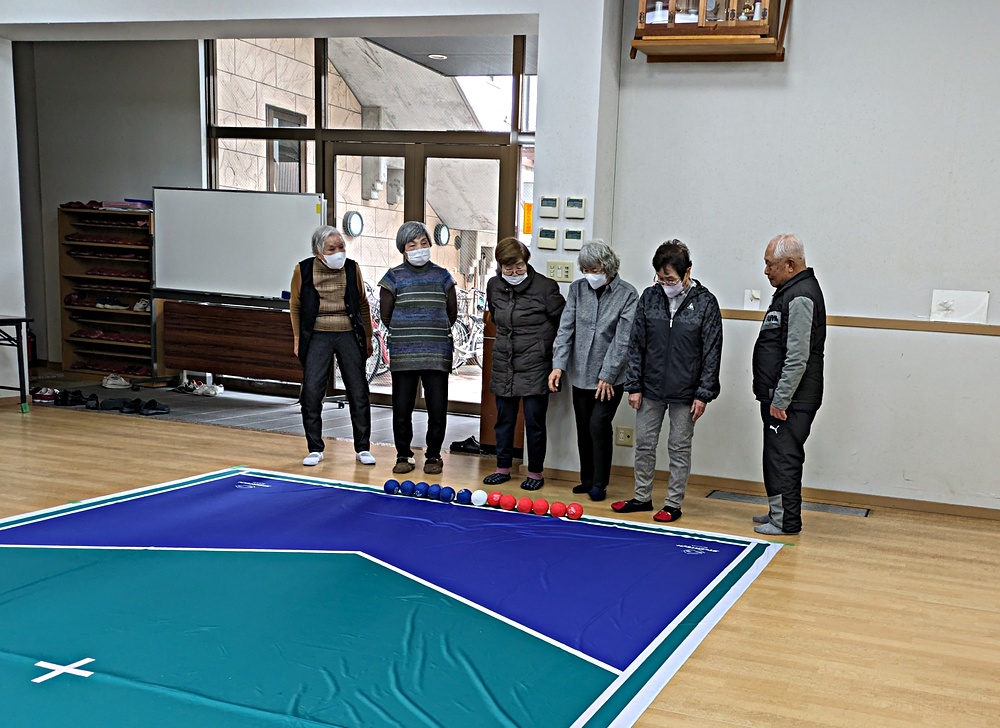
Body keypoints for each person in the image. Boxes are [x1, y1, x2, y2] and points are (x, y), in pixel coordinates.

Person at [614, 240, 723, 523]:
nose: (665, 284)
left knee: (678, 447)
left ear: (687, 272)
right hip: (649, 388)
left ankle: (673, 503)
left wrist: (703, 393)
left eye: (671, 279)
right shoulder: (649, 297)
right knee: (644, 444)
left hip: (686, 392)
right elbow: (636, 344)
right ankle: (641, 497)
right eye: (661, 279)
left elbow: (712, 351)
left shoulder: (705, 303)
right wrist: (634, 385)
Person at [548, 241, 639, 501]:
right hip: (580, 373)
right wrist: (558, 365)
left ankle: (600, 482)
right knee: (583, 427)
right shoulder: (577, 289)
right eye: (586, 270)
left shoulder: (628, 294)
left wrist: (607, 375)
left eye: (595, 269)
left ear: (608, 268)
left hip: (611, 377)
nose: (590, 275)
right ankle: (586, 479)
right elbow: (566, 328)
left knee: (598, 425)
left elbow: (623, 340)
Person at [752, 233, 826, 536]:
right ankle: (777, 512)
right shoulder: (790, 291)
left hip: (791, 400)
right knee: (775, 457)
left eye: (770, 264)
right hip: (781, 397)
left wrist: (781, 399)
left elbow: (797, 357)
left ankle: (786, 521)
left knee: (783, 458)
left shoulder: (800, 296)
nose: (766, 270)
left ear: (791, 265)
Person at [484, 237, 565, 490]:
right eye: (508, 268)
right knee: (504, 419)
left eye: (519, 266)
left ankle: (535, 473)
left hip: (536, 363)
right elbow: (495, 316)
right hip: (504, 361)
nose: (514, 272)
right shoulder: (494, 285)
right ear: (500, 266)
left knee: (534, 421)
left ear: (526, 262)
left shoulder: (546, 287)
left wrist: (551, 355)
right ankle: (502, 468)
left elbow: (564, 323)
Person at [290, 225, 375, 467]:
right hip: (317, 334)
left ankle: (362, 448)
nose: (339, 252)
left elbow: (363, 303)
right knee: (312, 392)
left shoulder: (352, 268)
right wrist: (297, 338)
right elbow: (295, 305)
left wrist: (368, 337)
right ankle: (315, 448)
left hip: (348, 333)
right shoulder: (303, 269)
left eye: (341, 247)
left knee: (358, 391)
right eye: (332, 249)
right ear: (318, 252)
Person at [379, 221, 458, 476]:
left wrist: (430, 330)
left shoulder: (443, 276)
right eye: (412, 245)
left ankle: (434, 455)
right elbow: (386, 316)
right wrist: (409, 332)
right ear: (403, 249)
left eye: (423, 243)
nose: (419, 248)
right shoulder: (393, 277)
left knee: (437, 408)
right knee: (402, 408)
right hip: (404, 352)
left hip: (437, 352)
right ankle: (403, 454)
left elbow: (452, 313)